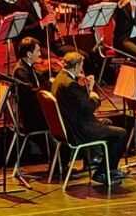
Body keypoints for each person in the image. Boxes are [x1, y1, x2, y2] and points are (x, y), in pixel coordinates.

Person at [52, 52, 130, 185]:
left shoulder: (60, 78)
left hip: (70, 126)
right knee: (121, 134)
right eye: (81, 65)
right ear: (77, 66)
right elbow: (88, 107)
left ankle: (102, 164)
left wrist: (83, 87)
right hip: (79, 130)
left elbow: (76, 102)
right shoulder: (70, 85)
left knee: (108, 123)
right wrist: (92, 91)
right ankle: (103, 172)